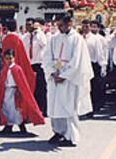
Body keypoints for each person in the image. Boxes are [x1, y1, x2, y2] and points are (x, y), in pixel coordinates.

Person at [42, 15, 93, 147]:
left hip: (69, 80)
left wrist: (63, 75)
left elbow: (77, 61)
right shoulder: (54, 39)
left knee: (68, 107)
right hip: (55, 77)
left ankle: (71, 136)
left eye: (61, 25)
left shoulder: (77, 40)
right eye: (57, 25)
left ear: (69, 23)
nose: (59, 28)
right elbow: (47, 57)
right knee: (54, 106)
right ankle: (58, 132)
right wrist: (52, 72)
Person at [0, 49, 44, 134]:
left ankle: (21, 125)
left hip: (15, 92)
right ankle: (8, 126)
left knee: (16, 110)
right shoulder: (4, 70)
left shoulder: (17, 69)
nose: (9, 60)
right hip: (7, 91)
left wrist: (20, 92)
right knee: (7, 108)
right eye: (6, 58)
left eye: (10, 58)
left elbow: (22, 83)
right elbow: (2, 82)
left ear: (14, 58)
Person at [22, 18, 48, 116]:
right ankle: (35, 109)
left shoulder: (40, 35)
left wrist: (38, 33)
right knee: (32, 88)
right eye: (26, 24)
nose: (28, 26)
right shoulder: (25, 37)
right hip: (30, 64)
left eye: (30, 24)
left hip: (39, 64)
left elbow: (45, 47)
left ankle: (44, 109)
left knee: (41, 88)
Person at [81, 20, 107, 117]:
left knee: (93, 87)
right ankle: (84, 108)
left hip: (93, 64)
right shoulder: (79, 38)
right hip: (81, 64)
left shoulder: (95, 39)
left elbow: (99, 53)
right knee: (83, 87)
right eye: (84, 27)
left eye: (87, 26)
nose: (86, 28)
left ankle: (92, 108)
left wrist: (103, 65)